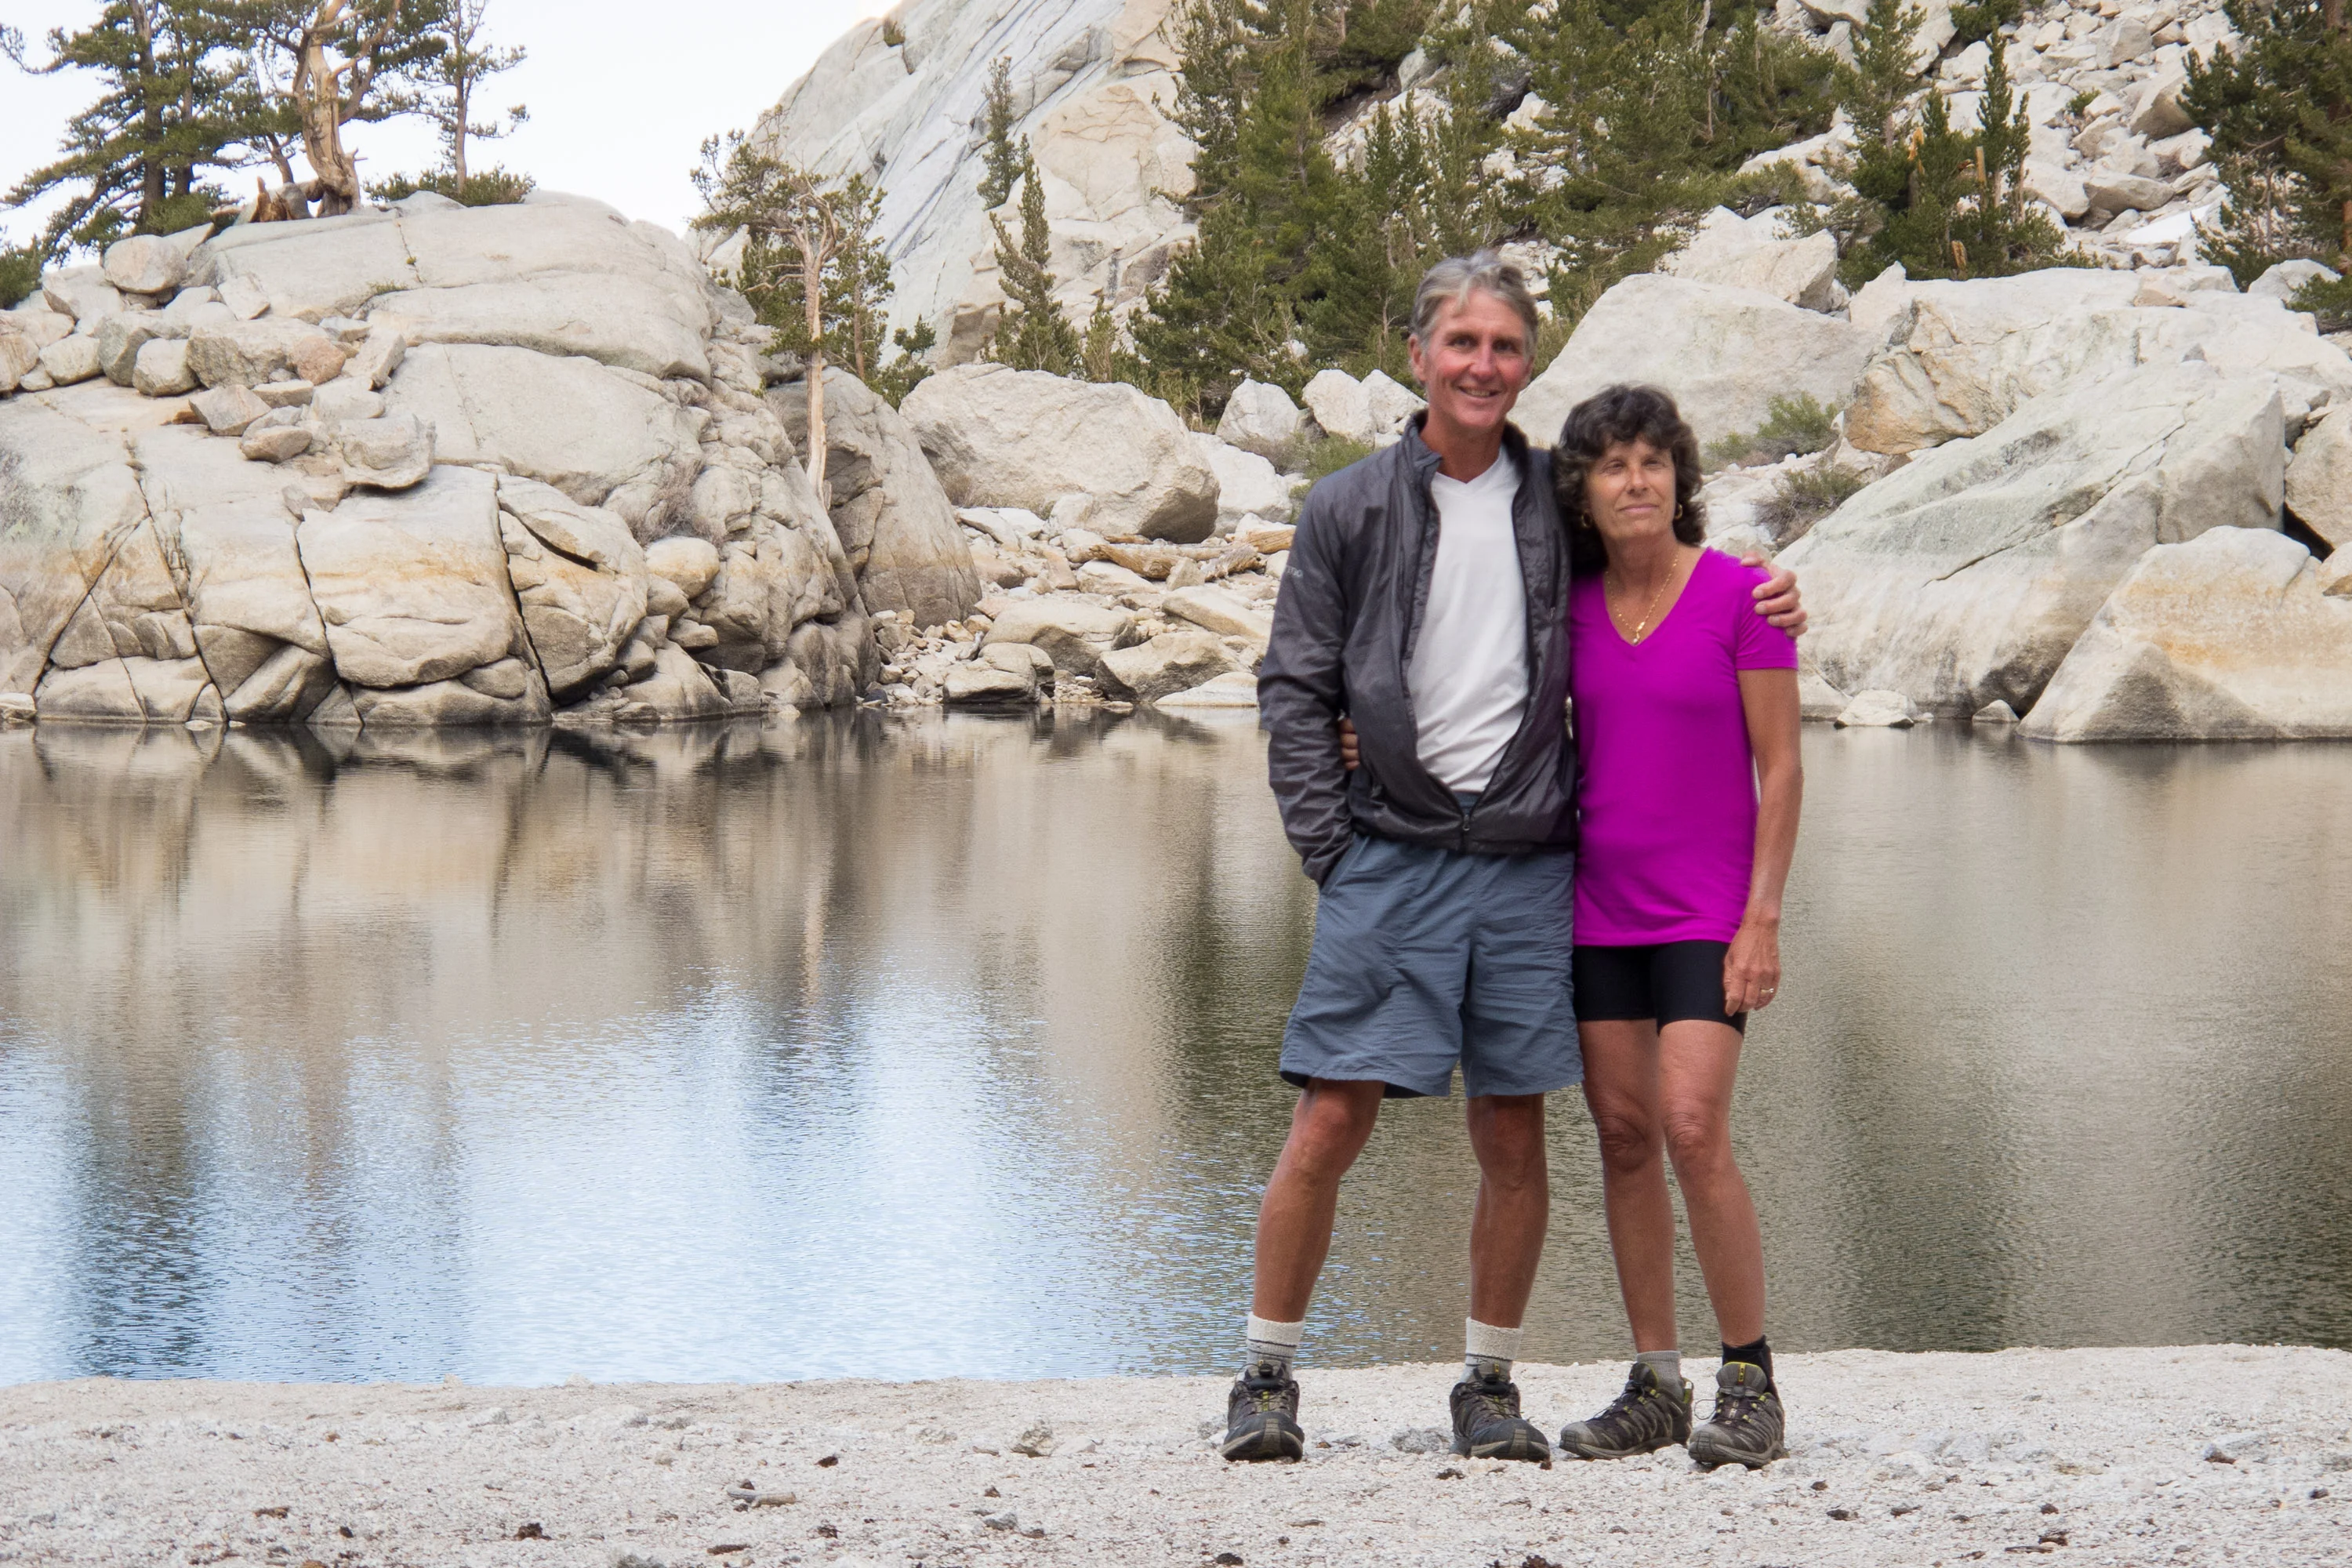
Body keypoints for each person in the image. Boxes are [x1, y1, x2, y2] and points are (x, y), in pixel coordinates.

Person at [1231, 252, 1805, 1466]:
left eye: (1504, 346)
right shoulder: (1349, 507)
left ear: (1525, 363)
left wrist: (1777, 595)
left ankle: (1489, 1384)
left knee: (1512, 1132)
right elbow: (1294, 689)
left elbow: (1668, 561)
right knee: (1331, 1118)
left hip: (1532, 863)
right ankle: (1267, 1377)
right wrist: (1332, 845)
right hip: (1388, 854)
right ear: (1420, 356)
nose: (1483, 365)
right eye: (1463, 344)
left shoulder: (1558, 496)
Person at [1545, 384, 1803, 1471]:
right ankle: (1656, 1383)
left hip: (1708, 913)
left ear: (1678, 477)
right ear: (1587, 491)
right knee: (1622, 1138)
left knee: (1693, 1125)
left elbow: (1781, 767)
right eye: (1613, 465)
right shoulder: (1568, 609)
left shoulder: (1745, 596)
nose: (1636, 481)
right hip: (1597, 913)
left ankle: (1751, 1380)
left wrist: (1763, 919)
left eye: (1653, 461)